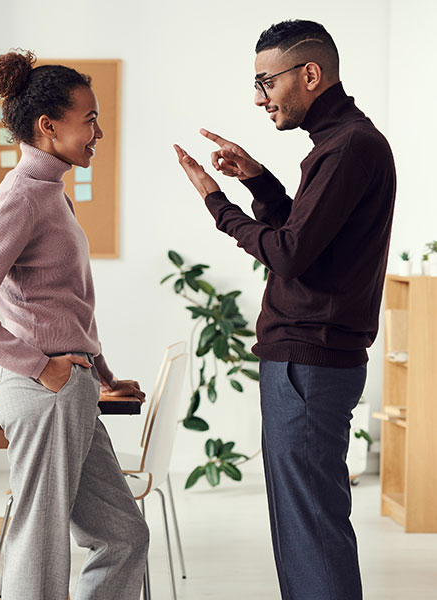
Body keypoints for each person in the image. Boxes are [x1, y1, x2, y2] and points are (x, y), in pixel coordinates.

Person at [174, 20, 395, 600]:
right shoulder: (341, 145)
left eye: (265, 82)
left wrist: (216, 203)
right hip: (315, 360)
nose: (258, 98)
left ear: (311, 75)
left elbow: (289, 253)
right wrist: (258, 179)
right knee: (309, 525)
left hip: (309, 362)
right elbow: (313, 238)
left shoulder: (346, 148)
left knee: (310, 530)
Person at [0, 50, 149, 599]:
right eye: (90, 119)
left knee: (123, 536)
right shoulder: (21, 197)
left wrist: (102, 373)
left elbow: (66, 303)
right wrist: (39, 366)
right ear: (48, 126)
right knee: (41, 540)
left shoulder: (52, 192)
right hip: (45, 391)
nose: (99, 131)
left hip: (72, 387)